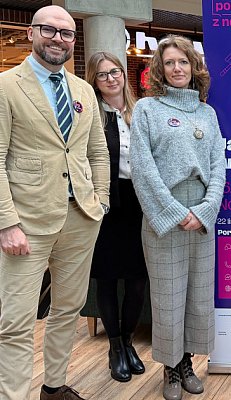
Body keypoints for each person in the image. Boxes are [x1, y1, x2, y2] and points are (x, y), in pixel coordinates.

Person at [0, 5, 109, 400]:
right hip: (26, 223)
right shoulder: (6, 86)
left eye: (67, 33)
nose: (58, 39)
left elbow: (97, 152)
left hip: (81, 217)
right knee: (15, 322)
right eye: (49, 30)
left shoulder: (83, 90)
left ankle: (54, 386)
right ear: (31, 33)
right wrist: (6, 222)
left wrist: (101, 201)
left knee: (68, 309)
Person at [130, 34, 226, 400]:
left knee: (198, 296)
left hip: (201, 215)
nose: (176, 68)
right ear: (160, 69)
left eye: (183, 61)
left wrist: (205, 210)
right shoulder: (147, 109)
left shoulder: (207, 113)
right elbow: (142, 168)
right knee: (168, 297)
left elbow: (218, 166)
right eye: (169, 62)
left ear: (194, 66)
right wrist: (172, 211)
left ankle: (187, 362)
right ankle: (170, 368)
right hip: (163, 215)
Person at [85, 51, 148, 382]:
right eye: (102, 74)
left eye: (115, 72)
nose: (111, 79)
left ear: (124, 74)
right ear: (94, 81)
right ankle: (114, 347)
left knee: (137, 281)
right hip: (107, 205)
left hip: (140, 204)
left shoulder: (143, 111)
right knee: (107, 279)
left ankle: (128, 341)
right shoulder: (92, 115)